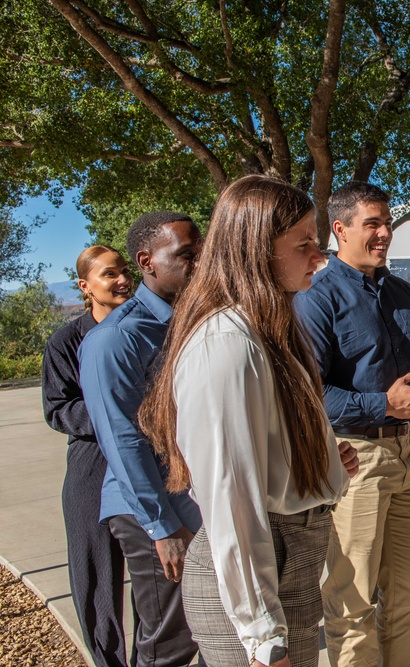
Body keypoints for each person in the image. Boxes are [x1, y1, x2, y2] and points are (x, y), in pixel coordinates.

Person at [139, 176, 359, 667]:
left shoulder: (266, 331)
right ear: (255, 248)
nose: (319, 258)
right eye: (302, 244)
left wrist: (322, 462)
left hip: (290, 565)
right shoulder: (227, 344)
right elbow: (231, 499)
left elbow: (265, 449)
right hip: (256, 585)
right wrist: (262, 635)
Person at [294, 181, 410, 667]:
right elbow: (311, 395)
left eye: (388, 223)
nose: (385, 233)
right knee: (352, 601)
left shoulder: (404, 291)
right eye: (373, 224)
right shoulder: (315, 299)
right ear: (340, 230)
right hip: (354, 459)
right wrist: (381, 404)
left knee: (409, 596)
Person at [79, 212, 204, 666]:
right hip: (152, 512)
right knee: (169, 644)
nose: (200, 262)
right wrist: (162, 526)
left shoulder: (193, 320)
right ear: (147, 261)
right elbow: (121, 438)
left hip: (197, 499)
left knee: (215, 629)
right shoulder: (115, 339)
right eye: (186, 255)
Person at [42, 246, 133, 667]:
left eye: (124, 272)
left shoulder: (146, 331)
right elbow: (58, 409)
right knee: (96, 575)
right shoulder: (65, 342)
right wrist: (116, 410)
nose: (121, 280)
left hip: (145, 463)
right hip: (92, 468)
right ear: (85, 286)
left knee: (160, 576)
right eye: (108, 275)